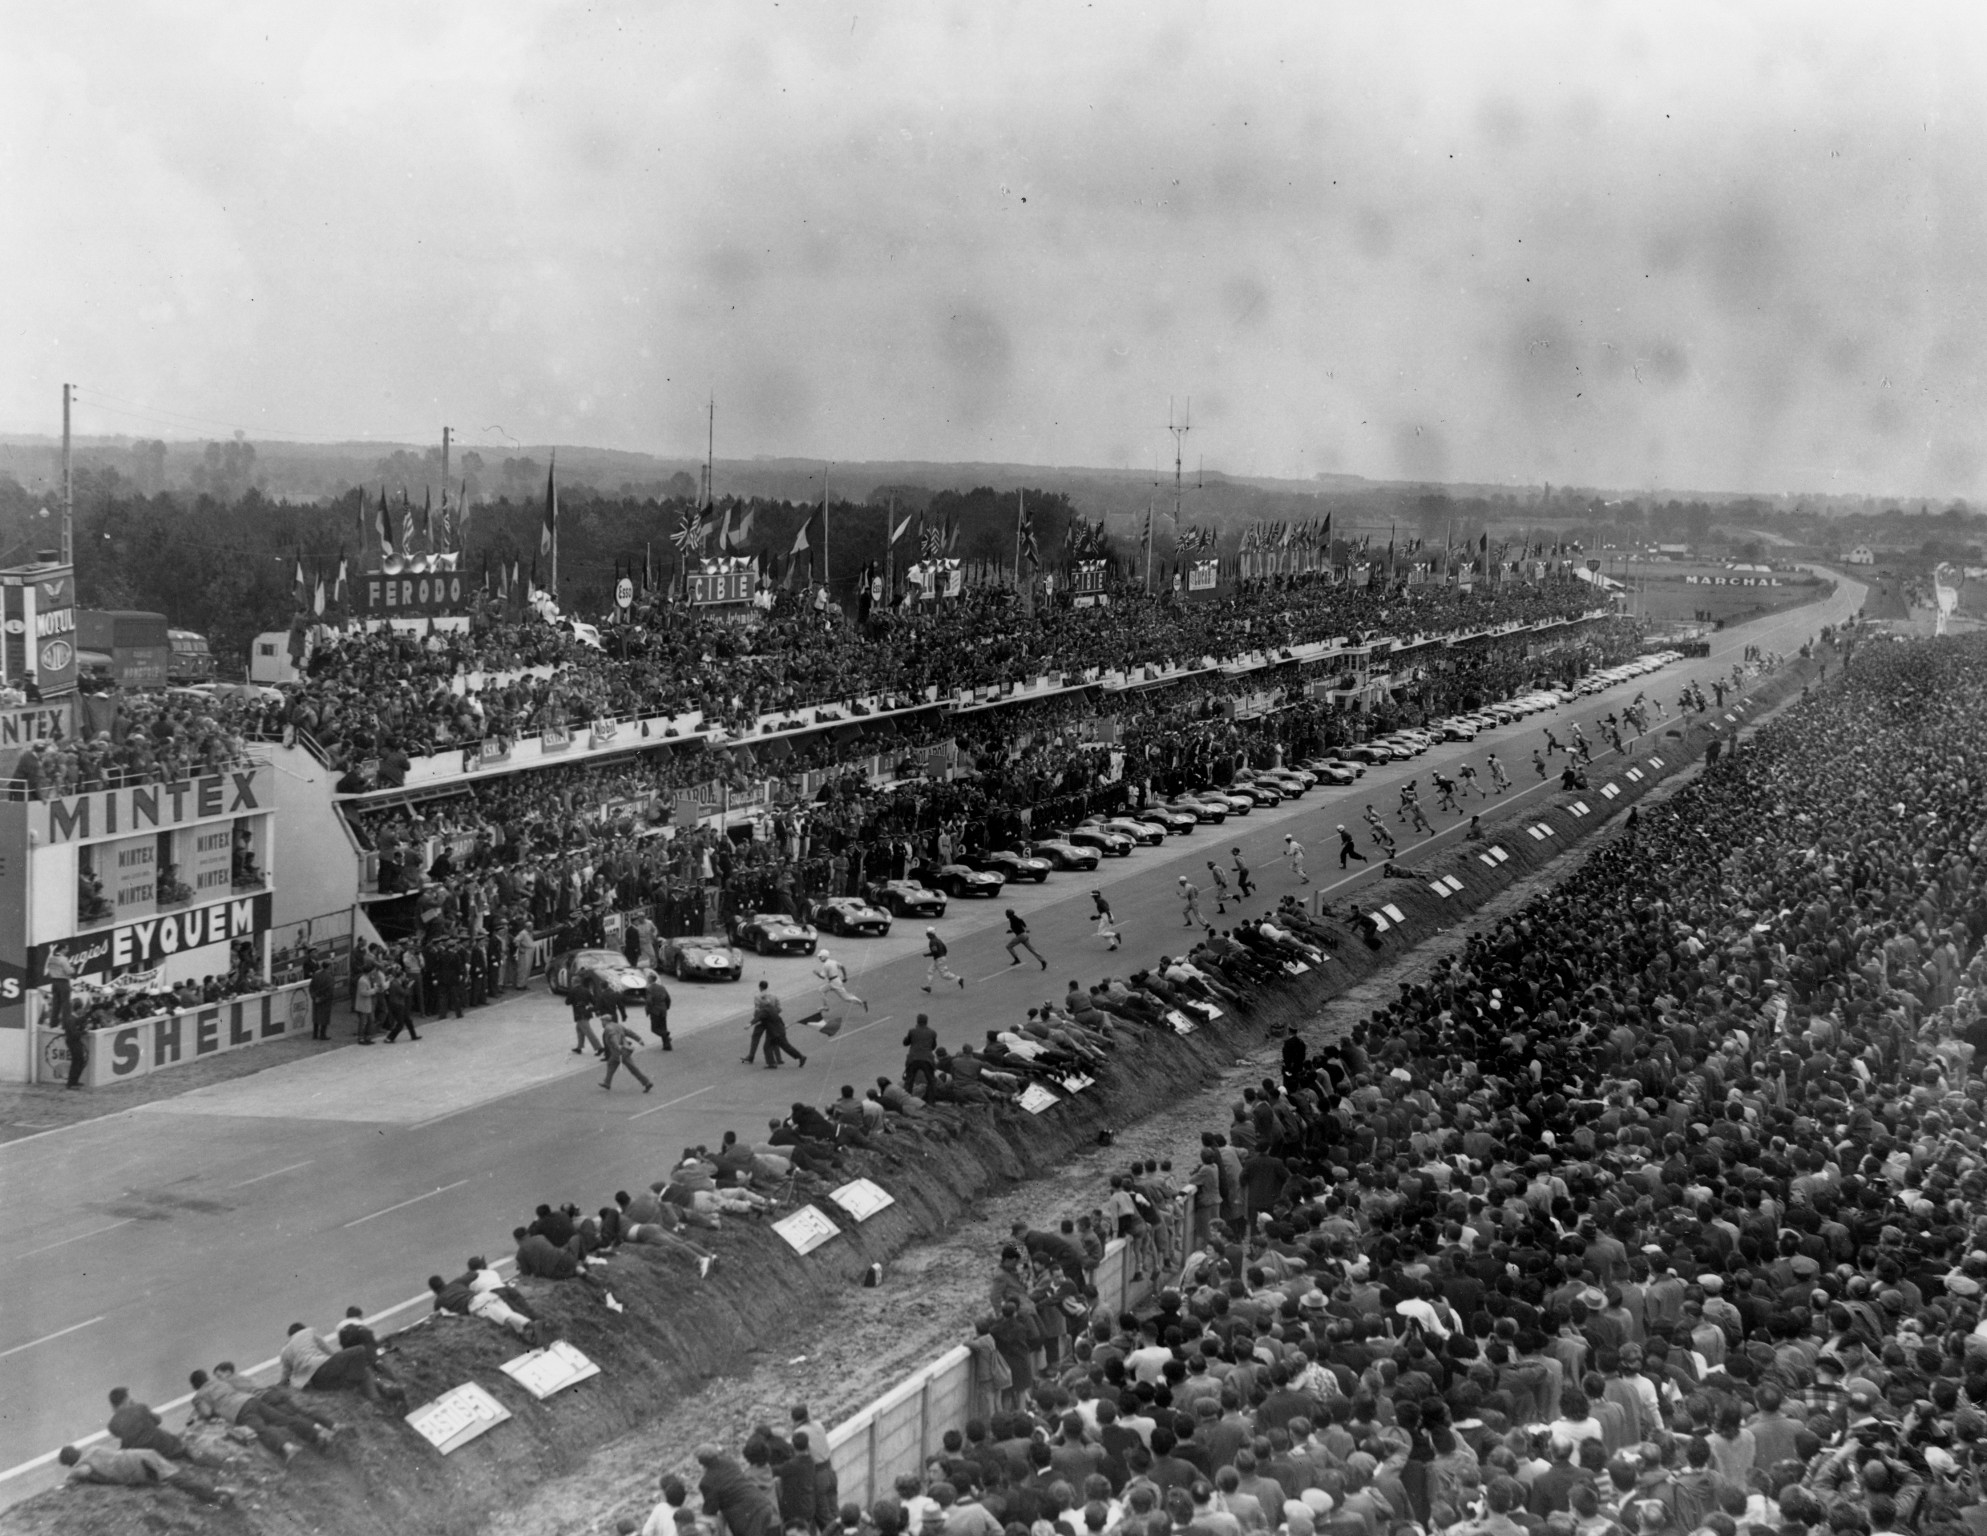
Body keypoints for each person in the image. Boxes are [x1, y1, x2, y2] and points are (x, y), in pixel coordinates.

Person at [57, 1443, 231, 1507]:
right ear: (77, 1450)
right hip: (140, 1454)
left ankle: (216, 1493)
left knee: (177, 1480)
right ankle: (212, 1492)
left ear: (70, 1463)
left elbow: (84, 1471)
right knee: (175, 1476)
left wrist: (70, 1478)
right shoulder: (94, 1449)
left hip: (137, 1467)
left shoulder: (83, 1465)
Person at [601, 1014, 655, 1092]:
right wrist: (639, 1039)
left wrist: (617, 1046)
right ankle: (607, 1083)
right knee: (611, 1064)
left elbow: (613, 1038)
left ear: (605, 1021)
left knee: (633, 1068)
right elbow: (629, 1032)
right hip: (620, 1051)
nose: (601, 1023)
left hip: (620, 1052)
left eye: (602, 1021)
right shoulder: (617, 1025)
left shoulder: (608, 1028)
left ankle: (647, 1082)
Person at [815, 949, 868, 1013]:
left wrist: (817, 974)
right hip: (836, 981)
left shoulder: (826, 965)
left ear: (824, 956)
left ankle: (861, 1003)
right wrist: (845, 976)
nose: (819, 958)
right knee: (822, 990)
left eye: (820, 957)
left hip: (834, 983)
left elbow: (823, 977)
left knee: (846, 998)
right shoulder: (833, 961)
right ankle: (825, 1006)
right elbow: (842, 967)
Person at [902, 1013, 939, 1097]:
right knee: (931, 1080)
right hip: (927, 1059)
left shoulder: (912, 1031)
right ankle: (931, 1101)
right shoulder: (932, 1032)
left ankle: (907, 1099)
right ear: (926, 1021)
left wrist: (906, 1039)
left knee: (909, 1080)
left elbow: (905, 1043)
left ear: (917, 1021)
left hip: (913, 1059)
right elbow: (933, 1046)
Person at [569, 986, 604, 1058]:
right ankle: (579, 1047)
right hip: (587, 1012)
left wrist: (577, 1004)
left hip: (579, 1014)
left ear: (573, 982)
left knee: (588, 1031)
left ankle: (599, 1047)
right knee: (579, 1029)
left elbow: (567, 1002)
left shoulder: (573, 991)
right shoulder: (586, 990)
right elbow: (594, 1001)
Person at [643, 969, 673, 1049]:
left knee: (654, 1029)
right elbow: (668, 998)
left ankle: (665, 1034)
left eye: (648, 978)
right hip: (663, 1010)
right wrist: (666, 1007)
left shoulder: (649, 989)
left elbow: (649, 1001)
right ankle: (667, 1046)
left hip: (655, 1011)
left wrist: (648, 1010)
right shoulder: (662, 987)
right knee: (663, 1027)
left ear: (650, 979)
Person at [308, 958, 336, 1041]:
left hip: (316, 998)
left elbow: (311, 987)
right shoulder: (330, 977)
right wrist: (322, 998)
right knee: (324, 1017)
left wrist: (314, 997)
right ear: (329, 967)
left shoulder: (316, 974)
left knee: (316, 1016)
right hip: (325, 1000)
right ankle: (322, 1034)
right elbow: (330, 991)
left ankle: (315, 1034)